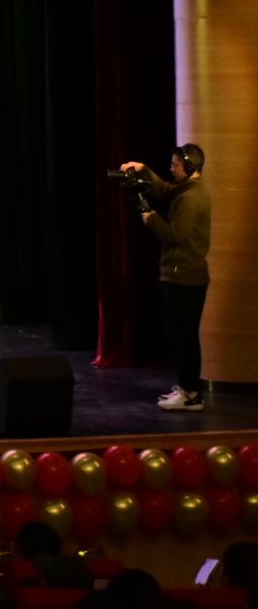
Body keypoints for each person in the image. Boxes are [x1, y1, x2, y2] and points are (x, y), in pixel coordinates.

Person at [120, 145, 211, 411]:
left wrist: (152, 219)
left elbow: (175, 235)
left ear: (190, 167)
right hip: (182, 277)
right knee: (180, 336)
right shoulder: (187, 189)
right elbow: (165, 190)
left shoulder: (192, 197)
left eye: (175, 165)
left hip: (184, 279)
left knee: (183, 338)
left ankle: (190, 394)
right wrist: (143, 169)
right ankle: (187, 387)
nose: (171, 169)